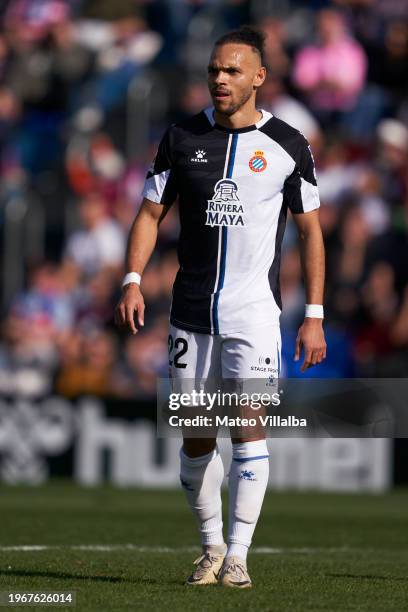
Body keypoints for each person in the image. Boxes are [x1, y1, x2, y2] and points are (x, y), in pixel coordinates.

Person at [115, 25, 326, 589]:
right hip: (189, 313)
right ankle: (209, 547)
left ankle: (239, 555)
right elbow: (148, 212)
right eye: (214, 70)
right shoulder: (181, 137)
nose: (219, 79)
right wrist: (133, 279)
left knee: (249, 429)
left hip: (255, 313)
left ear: (259, 77)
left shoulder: (288, 143)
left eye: (232, 70)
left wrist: (314, 314)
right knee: (196, 437)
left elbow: (310, 232)